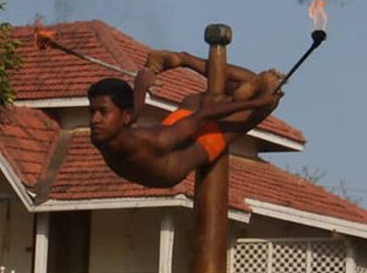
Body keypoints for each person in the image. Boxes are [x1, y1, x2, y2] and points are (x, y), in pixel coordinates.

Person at [87, 50, 284, 188]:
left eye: (102, 112)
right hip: (202, 144)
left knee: (206, 100)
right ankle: (187, 60)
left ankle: (237, 90)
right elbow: (201, 117)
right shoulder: (105, 135)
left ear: (124, 116)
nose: (94, 120)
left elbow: (201, 117)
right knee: (265, 98)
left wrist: (142, 84)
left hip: (177, 136)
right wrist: (255, 104)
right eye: (92, 112)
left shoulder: (147, 137)